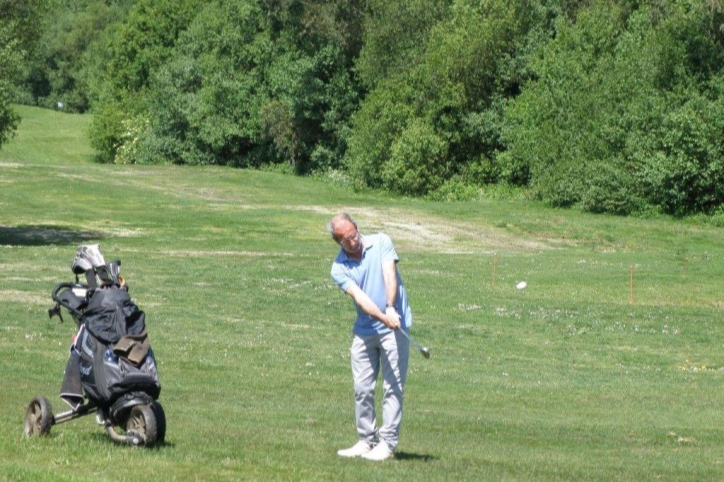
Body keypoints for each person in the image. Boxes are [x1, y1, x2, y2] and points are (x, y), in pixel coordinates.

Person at [327, 212, 412, 461]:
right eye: (345, 239)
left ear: (357, 227)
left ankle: (387, 444)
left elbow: (389, 274)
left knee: (392, 387)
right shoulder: (338, 268)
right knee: (362, 388)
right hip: (365, 330)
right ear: (338, 242)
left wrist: (391, 307)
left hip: (395, 326)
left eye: (353, 234)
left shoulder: (381, 241)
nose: (353, 241)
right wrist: (382, 316)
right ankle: (367, 440)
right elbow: (361, 298)